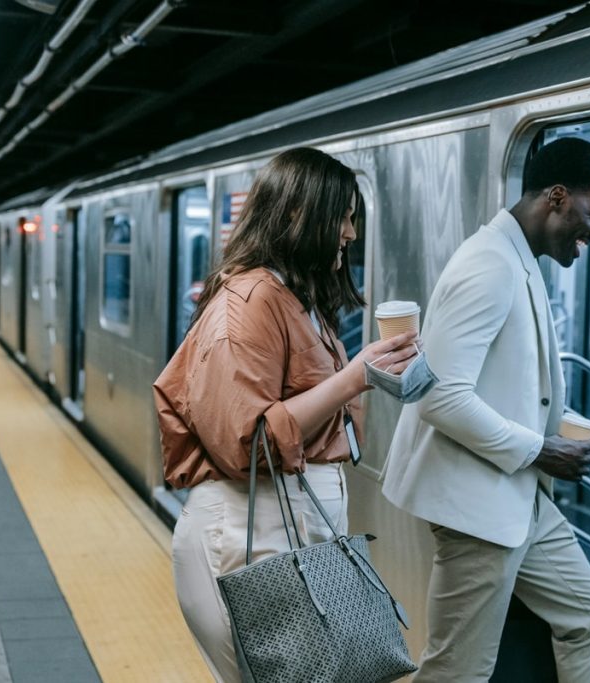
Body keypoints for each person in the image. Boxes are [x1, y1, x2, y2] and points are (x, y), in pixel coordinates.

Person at [152, 147, 419, 683]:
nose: (350, 233)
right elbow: (247, 444)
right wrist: (356, 376)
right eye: (343, 216)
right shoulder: (250, 299)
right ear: (298, 215)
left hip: (292, 522)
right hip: (252, 528)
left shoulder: (296, 297)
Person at [382, 137, 590, 682]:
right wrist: (542, 448)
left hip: (518, 497)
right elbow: (438, 393)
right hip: (479, 507)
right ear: (557, 197)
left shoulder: (517, 258)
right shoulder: (490, 264)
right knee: (457, 670)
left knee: (589, 614)